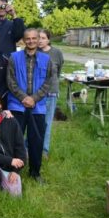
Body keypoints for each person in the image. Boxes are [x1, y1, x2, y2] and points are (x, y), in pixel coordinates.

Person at [7, 28, 52, 183]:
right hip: (17, 105)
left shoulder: (47, 59)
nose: (31, 41)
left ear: (38, 39)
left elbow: (48, 81)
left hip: (37, 106)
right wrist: (23, 98)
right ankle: (14, 170)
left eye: (35, 38)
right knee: (14, 140)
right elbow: (10, 81)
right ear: (23, 40)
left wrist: (34, 98)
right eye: (28, 38)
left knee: (36, 140)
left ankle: (35, 172)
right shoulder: (14, 57)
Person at [38, 29, 64, 159]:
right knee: (35, 122)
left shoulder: (56, 53)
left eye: (43, 38)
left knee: (47, 122)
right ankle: (27, 146)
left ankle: (44, 150)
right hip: (36, 94)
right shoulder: (33, 52)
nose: (40, 40)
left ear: (48, 39)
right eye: (38, 38)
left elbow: (58, 72)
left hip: (50, 93)